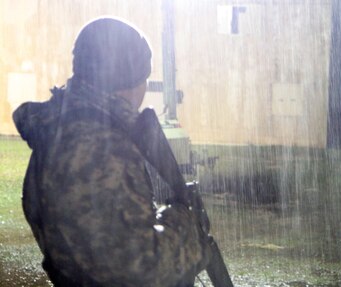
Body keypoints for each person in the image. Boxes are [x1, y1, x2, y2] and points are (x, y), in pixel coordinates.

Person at [13, 17, 210, 287]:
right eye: (144, 78)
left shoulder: (64, 130)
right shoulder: (98, 145)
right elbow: (141, 270)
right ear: (132, 79)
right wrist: (185, 221)